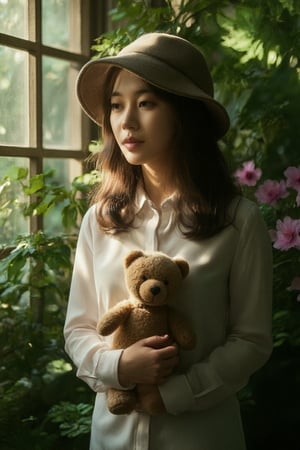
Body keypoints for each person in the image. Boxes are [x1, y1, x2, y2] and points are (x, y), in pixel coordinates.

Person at [64, 32, 273, 450]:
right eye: (117, 105)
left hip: (202, 436)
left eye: (146, 103)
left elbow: (251, 340)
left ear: (184, 114)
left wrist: (176, 393)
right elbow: (79, 328)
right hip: (113, 437)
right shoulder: (100, 220)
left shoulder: (238, 222)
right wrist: (119, 366)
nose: (126, 122)